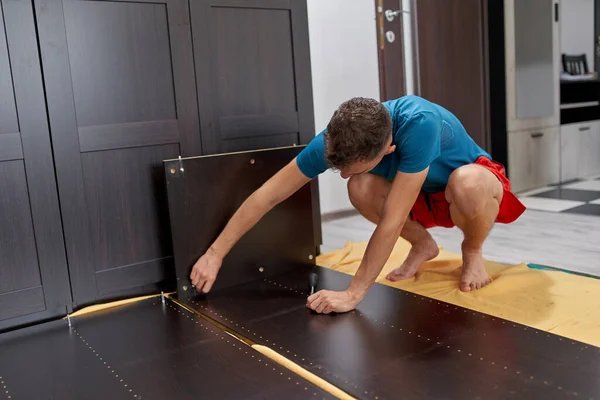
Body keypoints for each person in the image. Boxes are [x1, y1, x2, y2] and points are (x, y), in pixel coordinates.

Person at [189, 95, 526, 314]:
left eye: (349, 166)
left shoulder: (420, 125)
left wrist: (352, 294)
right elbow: (269, 194)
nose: (341, 174)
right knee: (360, 187)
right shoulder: (338, 136)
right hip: (418, 192)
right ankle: (424, 244)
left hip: (467, 192)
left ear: (387, 151)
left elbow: (391, 222)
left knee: (467, 182)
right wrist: (215, 253)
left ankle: (473, 251)